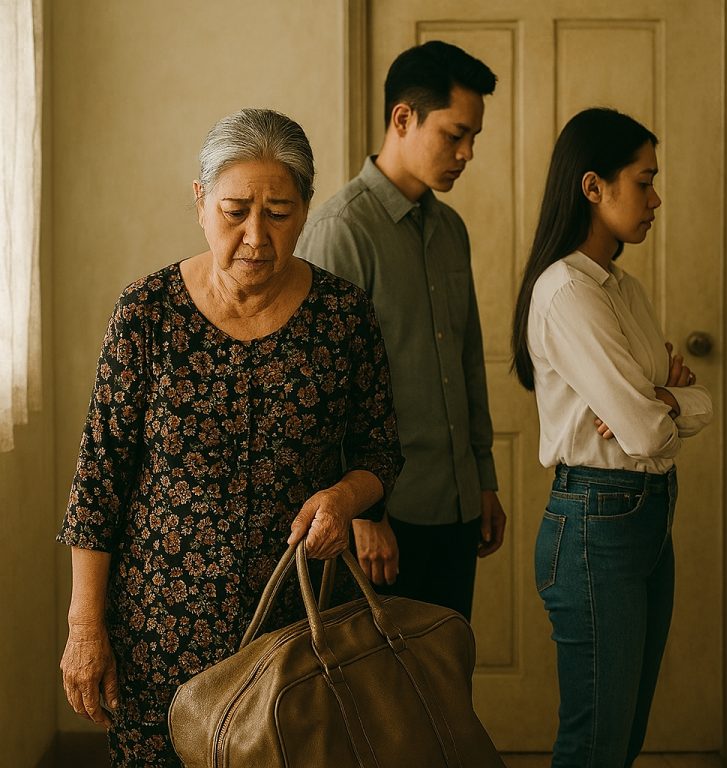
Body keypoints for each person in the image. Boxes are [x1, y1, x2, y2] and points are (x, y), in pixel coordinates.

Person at [57, 108, 403, 767]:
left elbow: (379, 453)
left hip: (291, 634)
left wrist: (344, 498)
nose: (256, 236)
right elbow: (98, 480)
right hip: (157, 634)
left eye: (278, 212)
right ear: (199, 201)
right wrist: (84, 629)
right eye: (235, 209)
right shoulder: (146, 313)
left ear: (306, 210)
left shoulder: (343, 316)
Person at [511, 107, 713, 767]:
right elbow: (648, 428)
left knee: (622, 740)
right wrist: (656, 401)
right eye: (644, 180)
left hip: (644, 515)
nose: (656, 199)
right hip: (597, 522)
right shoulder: (568, 291)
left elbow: (685, 406)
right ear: (593, 187)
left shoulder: (620, 287)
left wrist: (660, 398)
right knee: (596, 743)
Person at [297, 40, 506, 622]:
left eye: (474, 139)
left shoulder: (451, 230)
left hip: (458, 501)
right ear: (403, 118)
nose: (466, 153)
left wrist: (482, 479)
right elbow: (322, 392)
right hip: (385, 515)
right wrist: (365, 515)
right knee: (385, 701)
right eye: (454, 135)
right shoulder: (343, 230)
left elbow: (467, 363)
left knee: (447, 681)